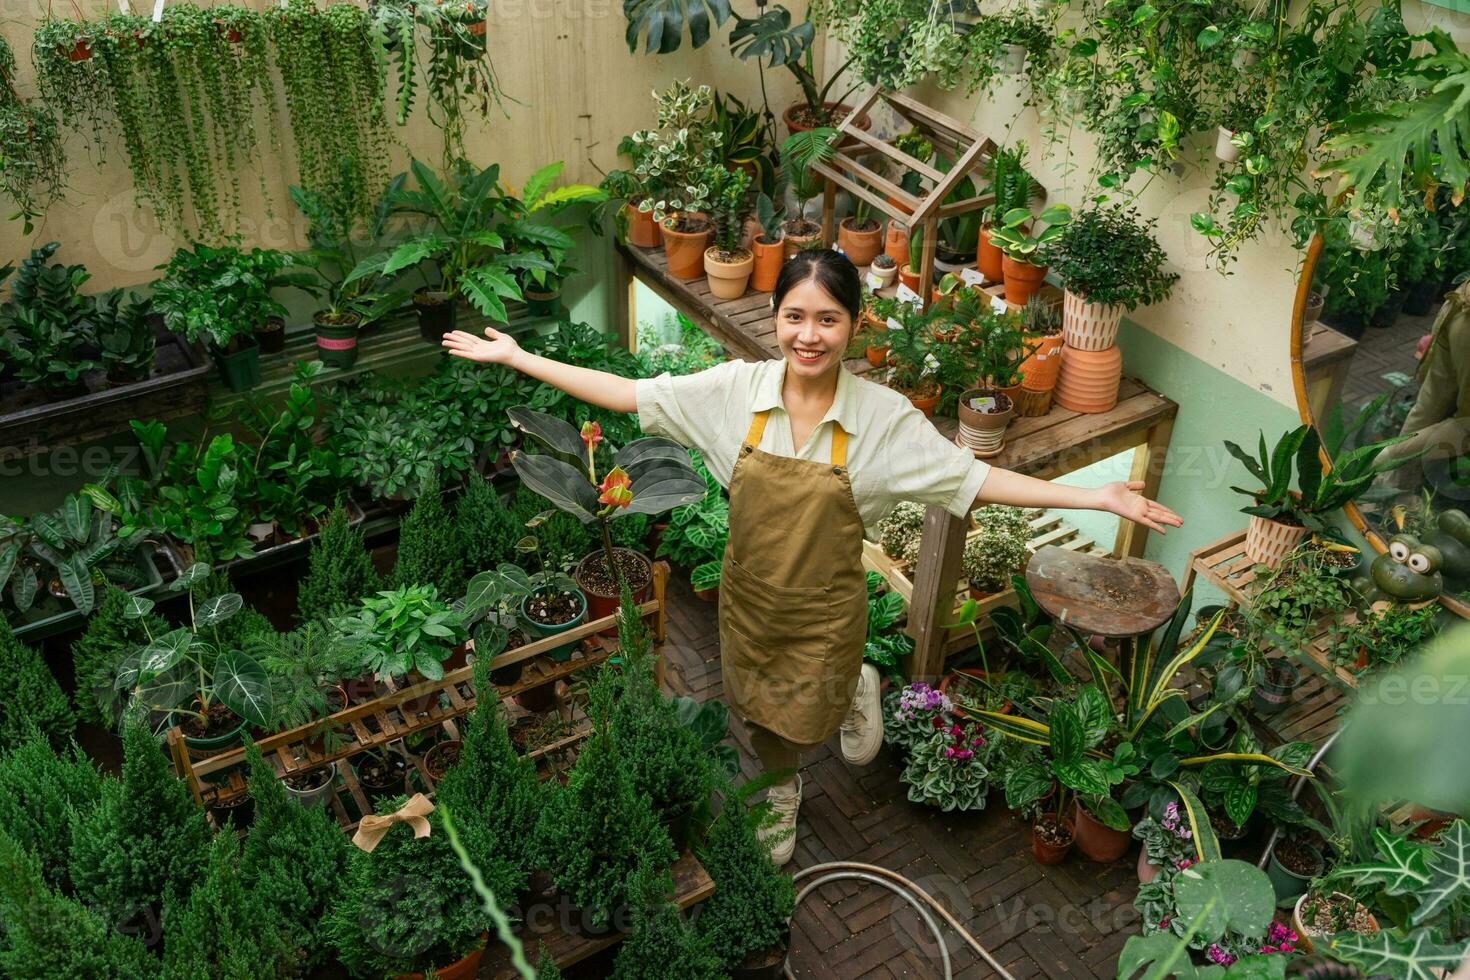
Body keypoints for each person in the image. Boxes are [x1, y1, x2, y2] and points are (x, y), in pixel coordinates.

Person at [443, 250, 1182, 865]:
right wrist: (520, 356)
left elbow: (975, 480)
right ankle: (782, 790)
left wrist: (1098, 500)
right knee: (761, 714)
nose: (809, 335)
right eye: (795, 316)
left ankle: (851, 686)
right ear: (776, 320)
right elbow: (629, 394)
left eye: (827, 319)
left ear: (854, 326)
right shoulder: (735, 392)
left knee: (813, 715)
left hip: (827, 609)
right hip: (752, 598)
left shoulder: (884, 420)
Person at [1381, 277, 1470, 500]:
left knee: (1429, 407)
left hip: (1460, 304)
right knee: (1466, 423)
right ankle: (1376, 463)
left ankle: (1390, 493)